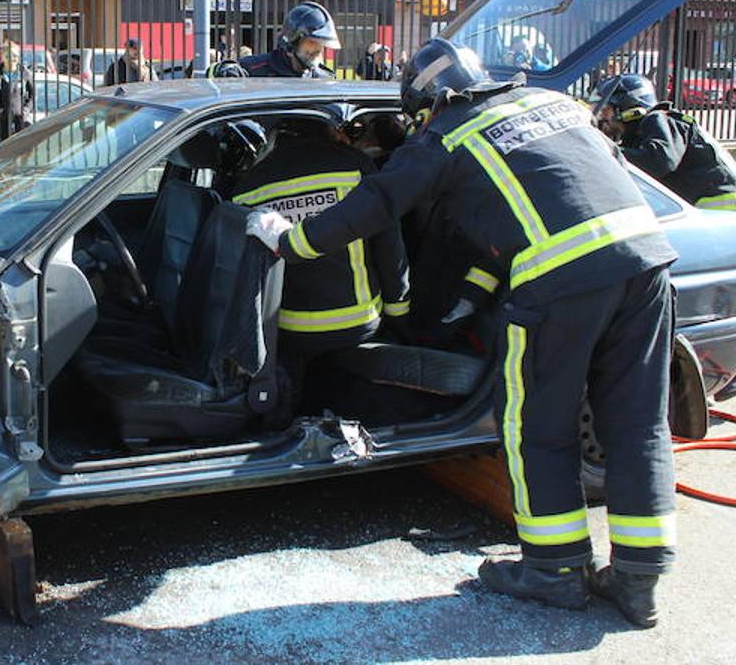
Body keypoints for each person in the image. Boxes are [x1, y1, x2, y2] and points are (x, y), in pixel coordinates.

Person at [247, 37, 680, 628]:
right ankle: (639, 582)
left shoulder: (447, 136)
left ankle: (554, 571)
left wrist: (288, 240)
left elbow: (374, 204)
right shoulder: (549, 102)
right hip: (649, 260)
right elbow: (556, 194)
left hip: (561, 283)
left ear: (426, 105)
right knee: (638, 424)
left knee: (537, 428)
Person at [230, 119, 411, 423]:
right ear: (331, 131)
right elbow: (390, 250)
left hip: (288, 331)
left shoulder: (247, 187)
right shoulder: (355, 167)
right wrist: (400, 317)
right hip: (358, 325)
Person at [596, 74, 736, 230]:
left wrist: (605, 150)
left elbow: (659, 161)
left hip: (727, 219)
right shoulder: (641, 136)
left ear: (628, 108)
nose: (602, 117)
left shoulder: (660, 119)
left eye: (606, 110)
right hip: (712, 219)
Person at [215, 2, 339, 78]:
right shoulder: (257, 69)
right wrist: (226, 70)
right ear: (292, 41)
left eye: (321, 43)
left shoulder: (324, 79)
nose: (318, 49)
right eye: (312, 42)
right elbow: (212, 75)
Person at [0, 40, 35, 142]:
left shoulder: (25, 73)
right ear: (3, 57)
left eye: (15, 56)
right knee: (3, 149)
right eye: (8, 56)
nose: (12, 59)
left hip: (20, 120)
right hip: (2, 120)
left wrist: (26, 110)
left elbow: (32, 95)